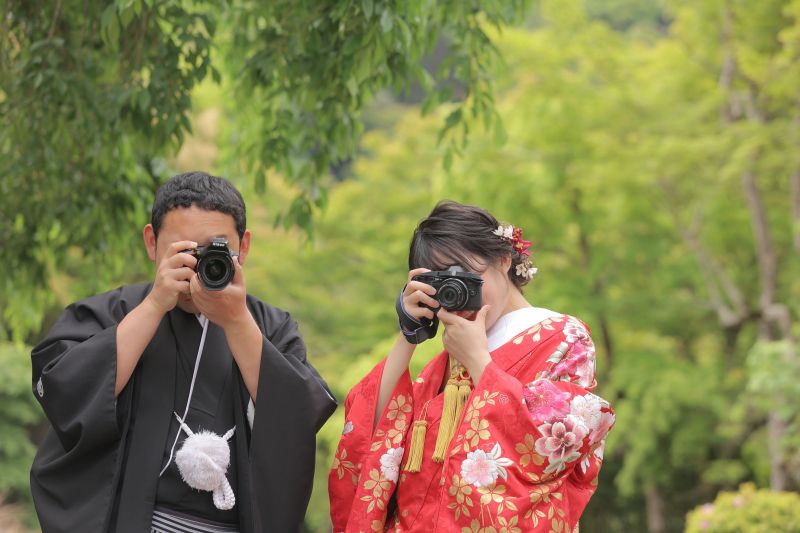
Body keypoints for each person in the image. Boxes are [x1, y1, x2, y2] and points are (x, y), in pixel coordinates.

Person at [31, 172, 337, 533]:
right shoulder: (115, 313)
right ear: (151, 242)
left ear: (244, 247)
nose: (196, 264)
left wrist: (238, 323)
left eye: (214, 249)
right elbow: (63, 389)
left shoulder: (268, 327)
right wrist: (154, 306)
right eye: (183, 250)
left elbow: (300, 418)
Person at [328, 201, 615, 532]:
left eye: (462, 273)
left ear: (503, 260)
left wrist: (479, 362)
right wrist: (408, 334)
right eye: (439, 280)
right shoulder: (443, 362)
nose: (456, 290)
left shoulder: (562, 338)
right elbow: (370, 437)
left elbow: (554, 449)